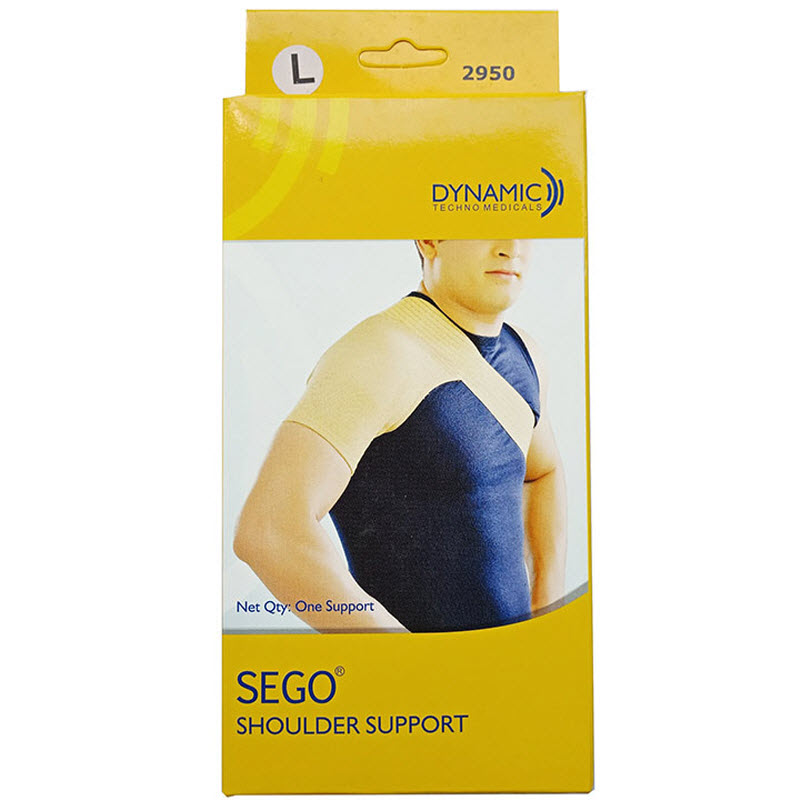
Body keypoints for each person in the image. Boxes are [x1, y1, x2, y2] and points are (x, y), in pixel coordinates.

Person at [233, 239, 566, 633]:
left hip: (511, 664)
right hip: (420, 671)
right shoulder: (380, 353)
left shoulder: (524, 353)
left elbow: (543, 471)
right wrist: (402, 659)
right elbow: (269, 530)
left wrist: (545, 617)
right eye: (485, 225)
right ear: (429, 238)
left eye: (522, 228)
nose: (510, 247)